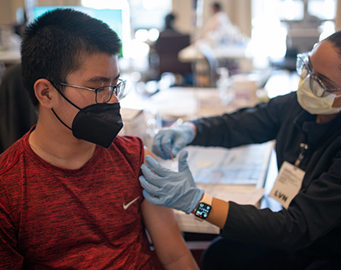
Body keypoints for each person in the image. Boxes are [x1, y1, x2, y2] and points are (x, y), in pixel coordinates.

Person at [139, 5, 341, 270]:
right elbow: (242, 123)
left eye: (323, 82)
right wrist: (191, 130)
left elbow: (295, 228)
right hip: (298, 238)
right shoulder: (300, 106)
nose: (308, 83)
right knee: (222, 255)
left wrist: (199, 204)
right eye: (307, 67)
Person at [0, 8, 198, 269]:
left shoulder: (134, 158)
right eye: (97, 88)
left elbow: (176, 257)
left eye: (115, 85)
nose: (113, 100)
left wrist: (200, 205)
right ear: (46, 93)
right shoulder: (9, 187)